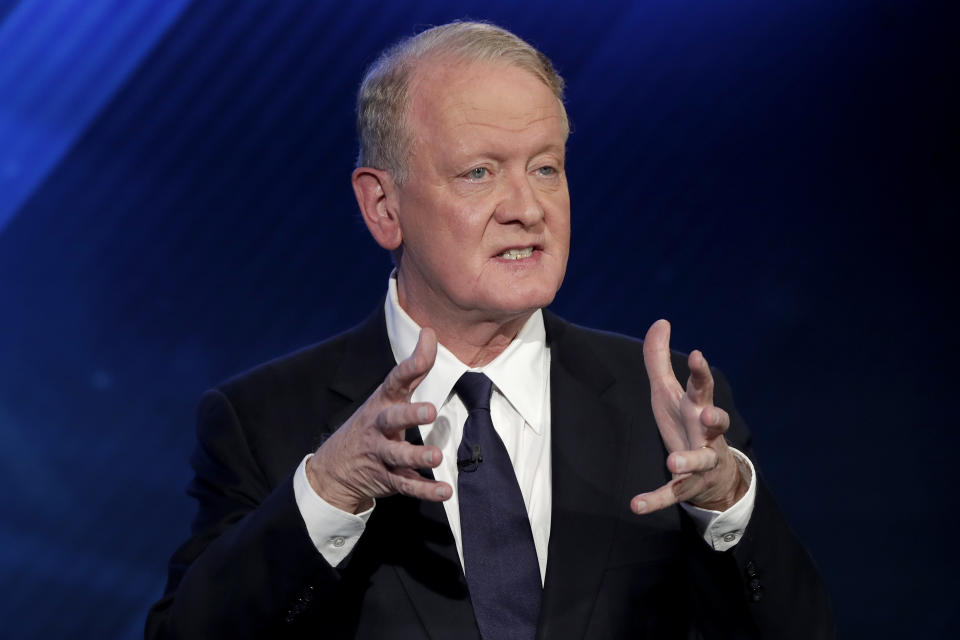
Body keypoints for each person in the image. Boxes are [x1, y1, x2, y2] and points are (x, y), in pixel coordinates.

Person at [146, 21, 833, 639]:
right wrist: (328, 493)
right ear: (384, 207)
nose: (527, 208)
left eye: (545, 168)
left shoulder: (670, 410)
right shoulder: (263, 422)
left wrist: (725, 507)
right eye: (479, 173)